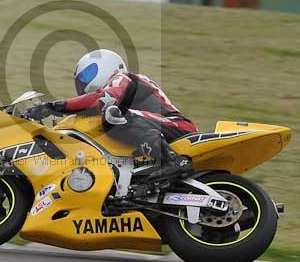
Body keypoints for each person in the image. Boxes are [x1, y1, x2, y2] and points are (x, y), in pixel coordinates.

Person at [24, 49, 196, 188]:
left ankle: (171, 160)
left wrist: (53, 106)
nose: (83, 83)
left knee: (112, 113)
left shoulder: (123, 77)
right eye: (81, 80)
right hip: (157, 129)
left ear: (106, 66)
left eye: (87, 74)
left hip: (176, 126)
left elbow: (106, 98)